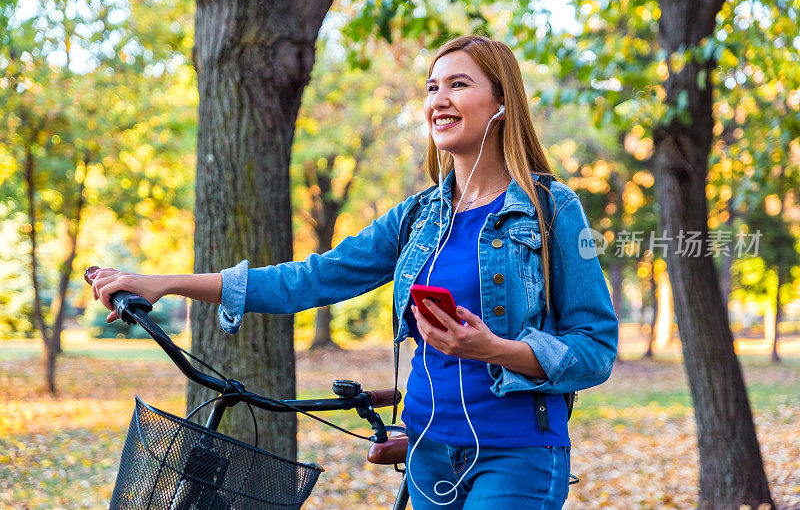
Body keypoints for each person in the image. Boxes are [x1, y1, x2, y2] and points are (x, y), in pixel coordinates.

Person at [90, 34, 618, 509]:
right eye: (432, 87)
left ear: (502, 102)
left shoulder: (552, 209)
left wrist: (492, 350)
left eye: (459, 84)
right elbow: (310, 278)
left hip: (517, 455)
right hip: (430, 455)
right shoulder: (416, 217)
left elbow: (595, 348)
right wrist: (164, 283)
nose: (439, 99)